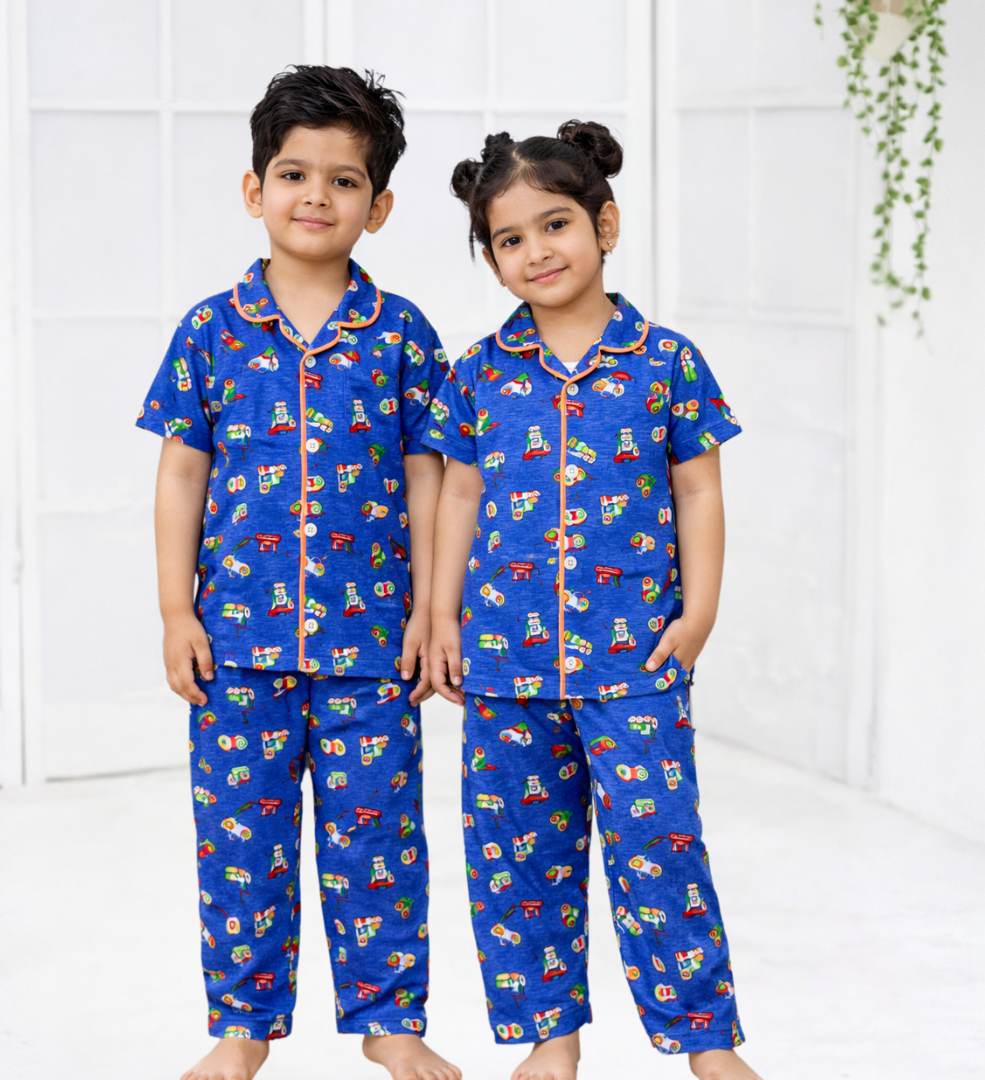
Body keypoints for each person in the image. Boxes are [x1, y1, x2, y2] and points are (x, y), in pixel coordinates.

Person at [137, 65, 460, 1080]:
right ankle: (241, 1028)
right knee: (241, 847)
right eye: (293, 173)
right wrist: (175, 612)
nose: (316, 195)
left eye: (344, 180)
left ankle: (390, 1021)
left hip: (374, 649)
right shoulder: (210, 330)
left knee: (381, 846)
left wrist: (432, 611)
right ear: (254, 189)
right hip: (237, 646)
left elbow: (431, 478)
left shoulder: (403, 334)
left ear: (379, 206)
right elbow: (180, 473)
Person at [423, 122, 761, 1080]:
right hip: (506, 665)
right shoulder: (476, 374)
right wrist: (441, 616)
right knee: (517, 859)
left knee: (661, 849)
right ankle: (550, 1038)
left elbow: (699, 490)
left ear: (604, 225)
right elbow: (458, 495)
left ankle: (708, 1043)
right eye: (509, 239)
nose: (536, 251)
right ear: (491, 260)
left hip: (635, 663)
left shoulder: (668, 362)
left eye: (556, 224)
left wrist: (699, 614)